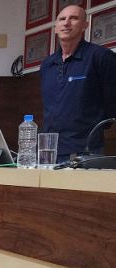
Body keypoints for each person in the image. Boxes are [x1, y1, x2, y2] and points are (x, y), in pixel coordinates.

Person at [40, 5, 116, 162]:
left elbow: (112, 103)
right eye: (62, 19)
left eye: (74, 18)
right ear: (55, 28)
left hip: (86, 150)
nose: (66, 23)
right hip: (49, 150)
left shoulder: (101, 57)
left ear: (85, 25)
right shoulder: (47, 64)